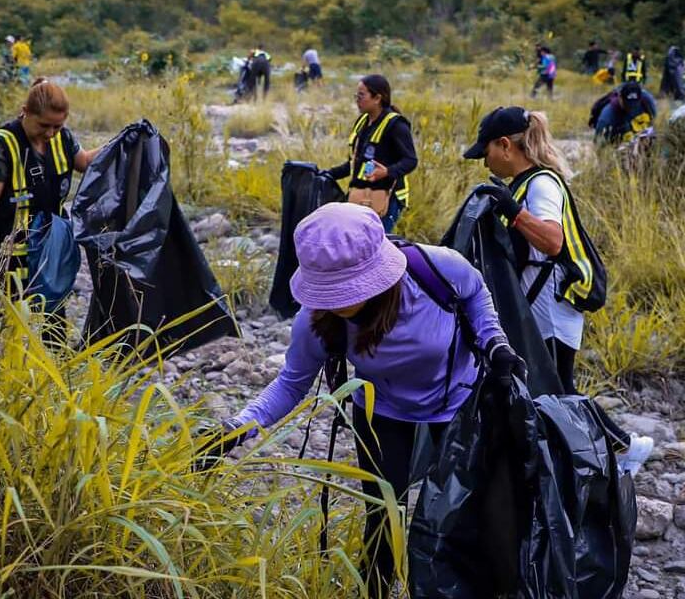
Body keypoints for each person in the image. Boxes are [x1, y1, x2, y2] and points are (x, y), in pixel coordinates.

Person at [207, 202, 520, 597]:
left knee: (466, 510)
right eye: (327, 291)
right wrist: (238, 427)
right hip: (382, 408)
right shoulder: (316, 321)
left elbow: (476, 295)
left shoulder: (436, 270)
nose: (336, 302)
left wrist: (495, 343)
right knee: (384, 515)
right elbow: (290, 384)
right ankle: (376, 589)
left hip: (458, 401)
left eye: (344, 290)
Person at [461, 105, 653, 469]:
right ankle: (596, 454)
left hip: (552, 301)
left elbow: (552, 241)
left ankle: (626, 449)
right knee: (555, 387)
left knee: (559, 388)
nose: (484, 162)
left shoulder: (542, 184)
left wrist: (512, 211)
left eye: (486, 152)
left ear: (505, 146)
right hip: (543, 299)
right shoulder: (523, 184)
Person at [0, 79, 101, 342]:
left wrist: (123, 141)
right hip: (11, 249)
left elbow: (85, 161)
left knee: (54, 316)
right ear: (25, 112)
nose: (50, 133)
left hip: (51, 247)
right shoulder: (3, 145)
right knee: (11, 324)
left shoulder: (63, 138)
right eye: (43, 125)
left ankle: (54, 361)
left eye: (57, 126)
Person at [325, 74, 417, 234]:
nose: (357, 100)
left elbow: (410, 160)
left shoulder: (396, 125)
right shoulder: (362, 122)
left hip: (387, 199)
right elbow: (355, 164)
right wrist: (328, 174)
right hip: (360, 197)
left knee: (375, 243)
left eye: (361, 95)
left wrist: (387, 172)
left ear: (377, 98)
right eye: (356, 96)